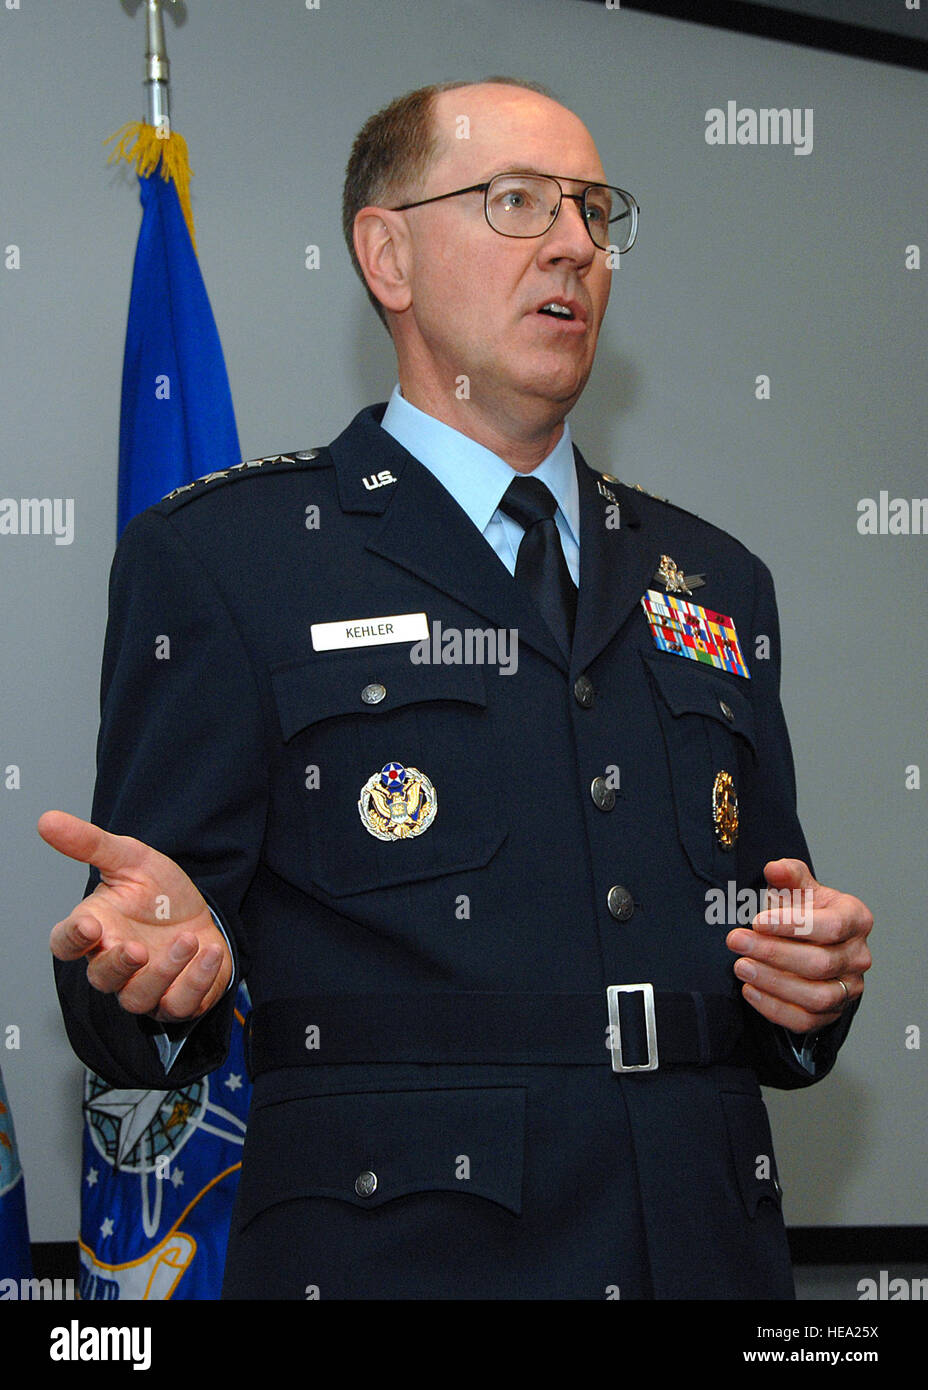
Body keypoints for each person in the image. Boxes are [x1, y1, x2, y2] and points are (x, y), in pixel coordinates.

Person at [43, 77, 873, 1300]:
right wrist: (144, 978)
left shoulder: (717, 580)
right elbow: (137, 959)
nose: (576, 247)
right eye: (519, 202)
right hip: (413, 1261)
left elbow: (759, 939)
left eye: (595, 214)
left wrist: (807, 990)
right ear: (388, 253)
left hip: (705, 1246)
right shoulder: (232, 558)